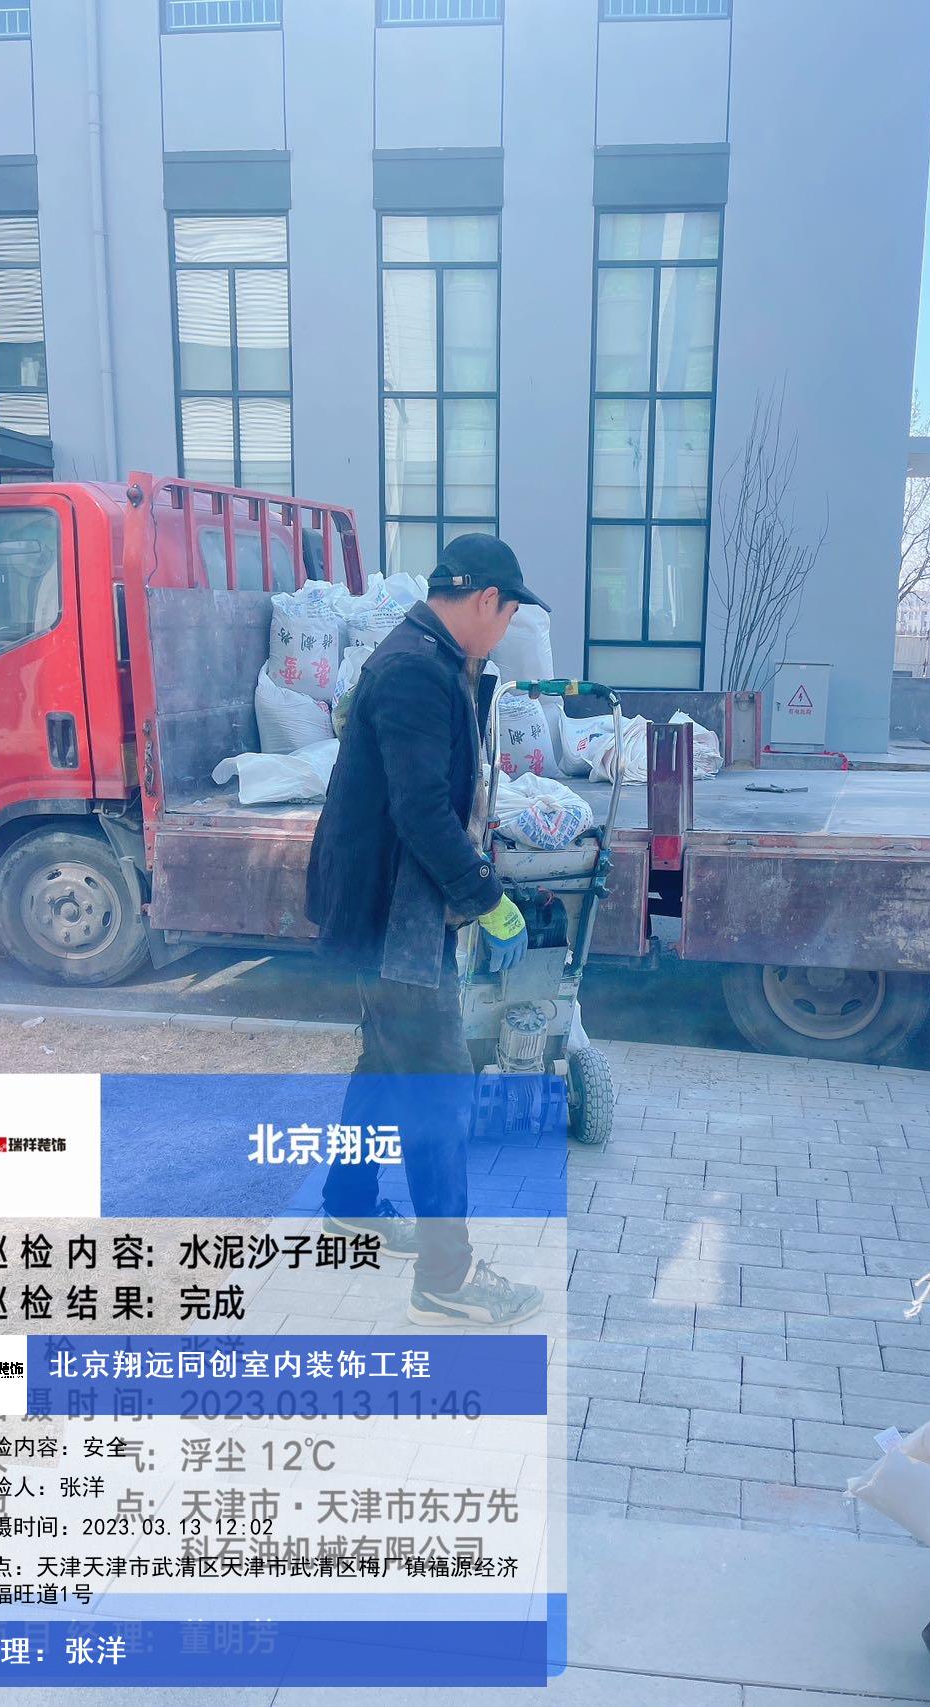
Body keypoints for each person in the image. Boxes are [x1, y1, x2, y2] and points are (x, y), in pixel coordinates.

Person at [305, 532, 549, 1326]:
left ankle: (349, 1202)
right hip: (395, 917)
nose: (506, 630)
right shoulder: (416, 668)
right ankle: (446, 1278)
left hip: (385, 904)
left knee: (385, 1058)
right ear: (485, 600)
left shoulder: (431, 657)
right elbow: (419, 811)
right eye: (508, 615)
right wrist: (486, 896)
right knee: (439, 1082)